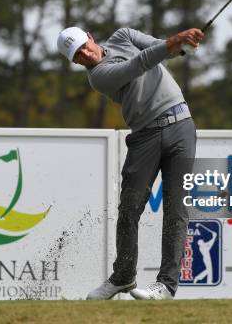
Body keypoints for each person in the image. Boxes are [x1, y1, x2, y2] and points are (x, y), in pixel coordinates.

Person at [57, 26, 203, 300]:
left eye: (84, 45)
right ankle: (123, 277)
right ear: (76, 62)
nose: (86, 54)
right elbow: (140, 63)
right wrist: (174, 43)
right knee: (129, 209)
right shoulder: (98, 77)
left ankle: (166, 286)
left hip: (181, 126)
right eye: (78, 55)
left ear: (90, 36)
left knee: (176, 208)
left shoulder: (123, 36)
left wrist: (184, 45)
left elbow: (160, 47)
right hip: (145, 136)